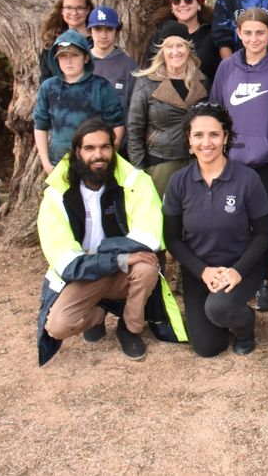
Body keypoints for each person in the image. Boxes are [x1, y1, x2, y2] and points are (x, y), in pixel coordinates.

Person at [36, 119, 187, 366]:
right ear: (77, 152)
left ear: (113, 148)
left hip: (120, 272)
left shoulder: (135, 181)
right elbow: (66, 260)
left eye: (105, 147)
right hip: (84, 275)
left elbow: (149, 238)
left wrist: (107, 256)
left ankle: (130, 328)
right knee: (57, 327)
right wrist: (118, 256)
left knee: (147, 267)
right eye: (90, 148)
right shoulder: (57, 193)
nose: (99, 155)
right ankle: (96, 315)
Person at [162, 103, 268, 357]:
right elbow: (172, 238)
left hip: (241, 267)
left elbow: (263, 234)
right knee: (208, 348)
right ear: (189, 140)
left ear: (225, 137)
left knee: (219, 308)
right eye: (198, 135)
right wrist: (202, 271)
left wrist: (237, 271)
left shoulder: (247, 179)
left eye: (214, 134)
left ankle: (245, 328)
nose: (206, 142)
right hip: (199, 270)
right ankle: (221, 317)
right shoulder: (179, 181)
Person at [209, 7, 268, 311]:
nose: (254, 38)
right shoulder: (227, 68)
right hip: (231, 162)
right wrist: (221, 149)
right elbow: (216, 111)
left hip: (266, 163)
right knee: (229, 220)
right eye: (247, 32)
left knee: (262, 224)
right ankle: (229, 277)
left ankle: (261, 282)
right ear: (239, 34)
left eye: (261, 32)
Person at [127, 24, 208, 197]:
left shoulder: (202, 81)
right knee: (162, 216)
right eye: (169, 46)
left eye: (180, 45)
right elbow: (134, 129)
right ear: (161, 51)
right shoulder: (146, 83)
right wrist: (138, 168)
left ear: (188, 48)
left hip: (197, 161)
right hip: (160, 162)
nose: (175, 51)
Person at [33, 30, 125, 175]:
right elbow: (40, 126)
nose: (68, 61)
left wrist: (108, 155)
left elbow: (117, 124)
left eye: (74, 55)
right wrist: (46, 163)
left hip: (95, 163)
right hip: (59, 163)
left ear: (86, 58)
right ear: (56, 60)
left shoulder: (101, 86)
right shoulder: (48, 87)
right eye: (63, 56)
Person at [146, 0, 220, 83]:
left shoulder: (212, 34)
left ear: (199, 4)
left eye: (188, 0)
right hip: (164, 95)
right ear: (172, 6)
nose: (182, 4)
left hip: (203, 95)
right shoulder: (160, 32)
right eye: (176, 0)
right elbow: (150, 67)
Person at [88, 5, 137, 116]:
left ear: (117, 31)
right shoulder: (81, 62)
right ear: (90, 31)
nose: (103, 35)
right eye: (98, 29)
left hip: (117, 131)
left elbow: (135, 111)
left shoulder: (129, 66)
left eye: (109, 29)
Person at [39, 0, 95, 83]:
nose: (74, 13)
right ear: (62, 10)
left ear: (87, 9)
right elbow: (46, 78)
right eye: (69, 8)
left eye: (80, 8)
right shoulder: (52, 44)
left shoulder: (98, 41)